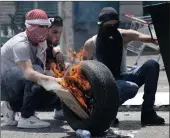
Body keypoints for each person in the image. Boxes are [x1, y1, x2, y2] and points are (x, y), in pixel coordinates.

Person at [82, 7, 165, 126]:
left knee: (152, 65)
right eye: (108, 26)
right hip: (104, 84)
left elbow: (143, 37)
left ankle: (148, 113)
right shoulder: (91, 44)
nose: (111, 30)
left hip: (123, 76)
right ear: (100, 25)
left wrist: (161, 37)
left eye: (114, 26)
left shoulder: (123, 35)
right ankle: (107, 114)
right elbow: (83, 69)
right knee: (131, 87)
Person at [1, 9, 66, 128]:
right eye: (43, 26)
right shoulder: (20, 43)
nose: (46, 29)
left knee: (49, 90)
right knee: (36, 71)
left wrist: (57, 55)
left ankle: (11, 106)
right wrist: (56, 81)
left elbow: (50, 52)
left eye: (47, 26)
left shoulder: (40, 41)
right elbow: (29, 73)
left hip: (18, 84)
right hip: (4, 85)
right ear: (32, 27)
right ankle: (26, 117)